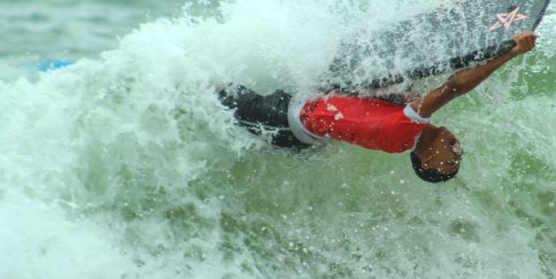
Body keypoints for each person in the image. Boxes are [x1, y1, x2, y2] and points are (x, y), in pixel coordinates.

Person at [218, 31, 538, 183]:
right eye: (457, 162)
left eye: (449, 164)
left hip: (282, 122)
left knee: (212, 92)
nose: (458, 154)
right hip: (308, 119)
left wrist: (510, 53)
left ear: (424, 159)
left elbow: (454, 86)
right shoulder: (408, 116)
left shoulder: (401, 133)